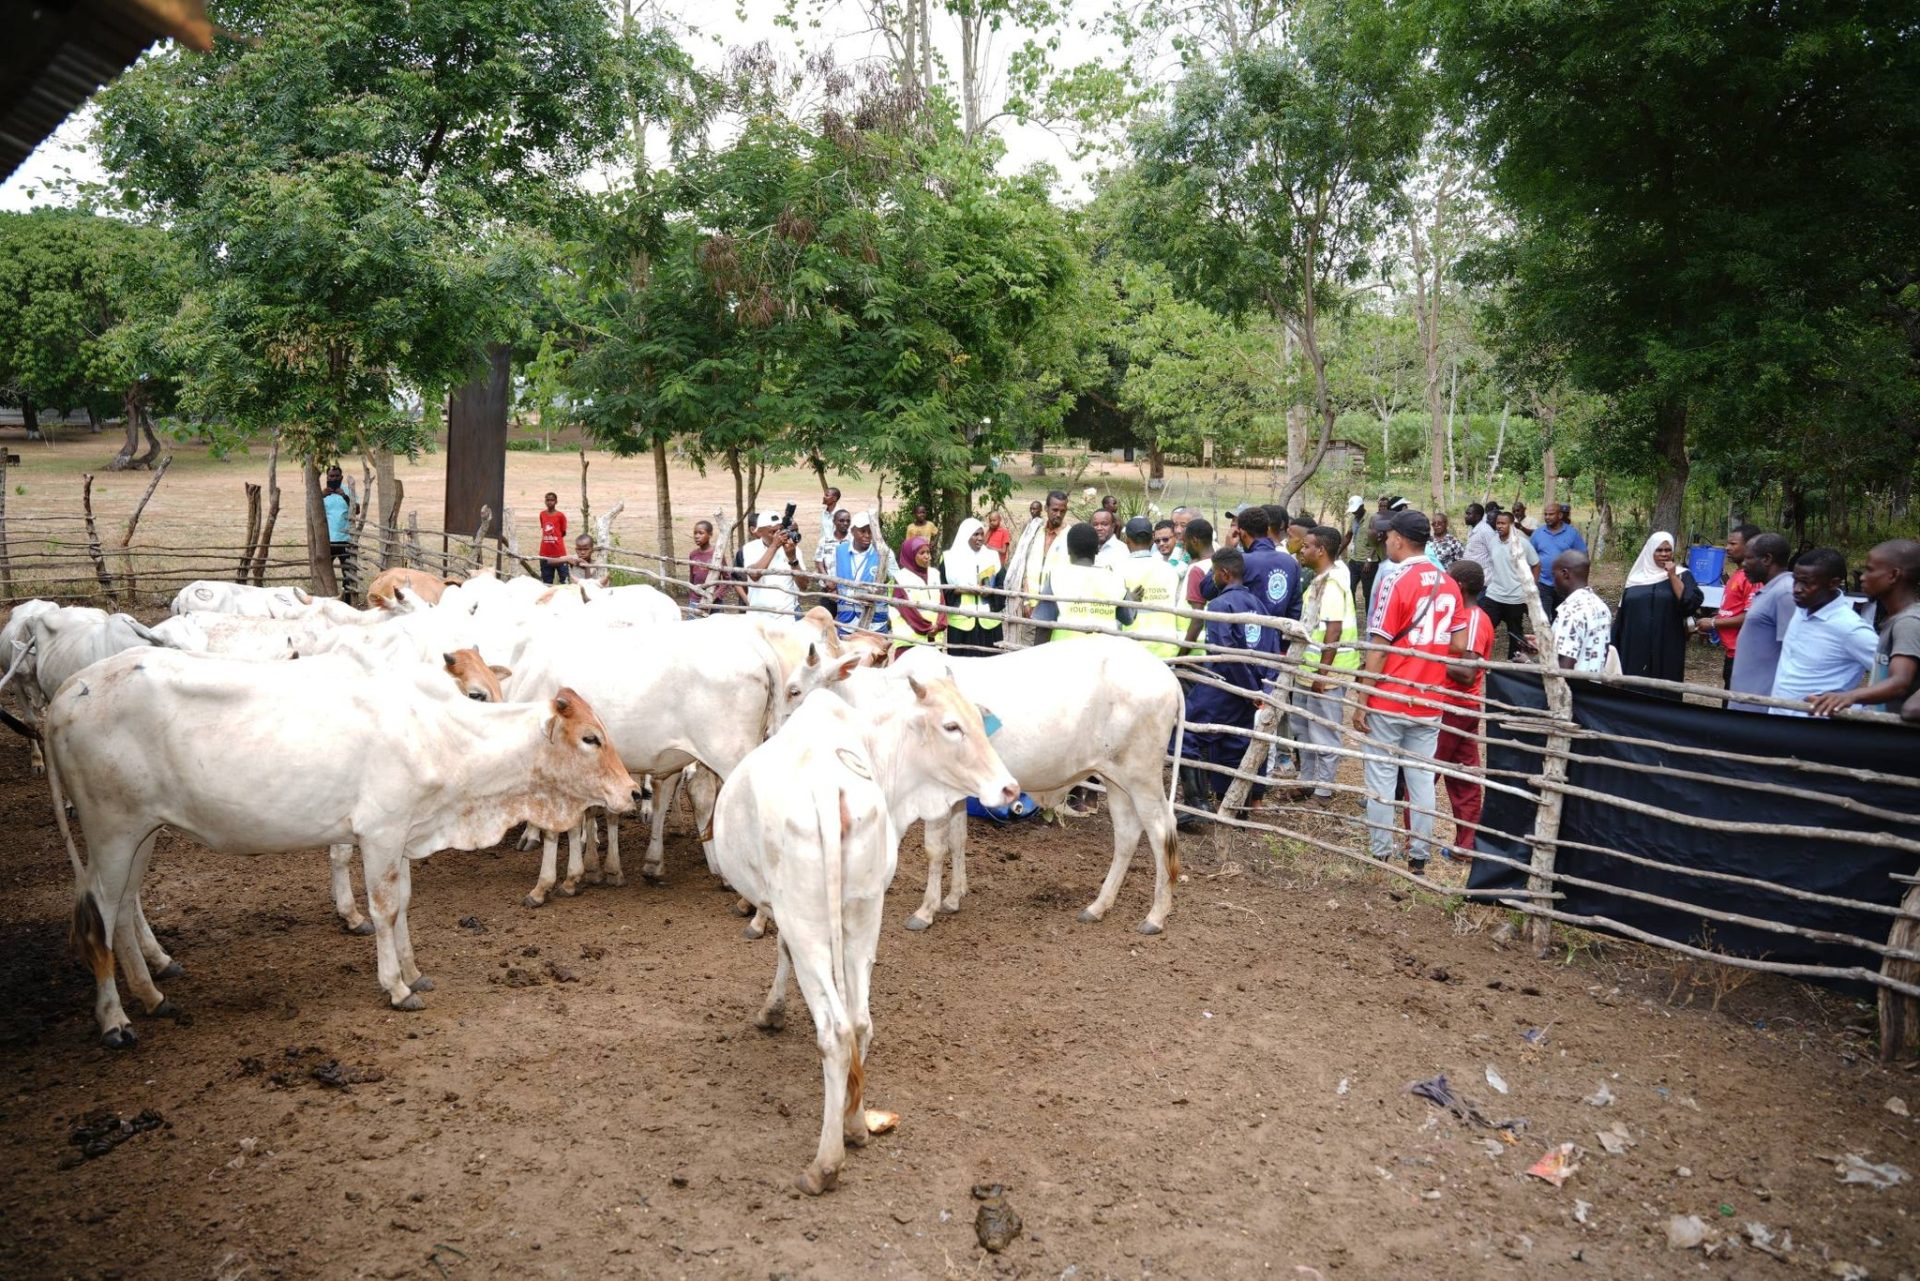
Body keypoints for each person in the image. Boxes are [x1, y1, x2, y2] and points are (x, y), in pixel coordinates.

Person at [1353, 509, 1469, 872]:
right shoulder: (1449, 582)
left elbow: (1379, 646)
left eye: (1388, 536)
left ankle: (1381, 853)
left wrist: (1362, 699)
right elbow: (1459, 644)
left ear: (1399, 539)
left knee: (1382, 779)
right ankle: (1419, 857)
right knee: (1421, 781)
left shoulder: (1394, 580)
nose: (1386, 540)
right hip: (1430, 698)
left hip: (1390, 696)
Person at [1175, 546, 1279, 828]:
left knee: (1186, 732)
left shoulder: (1220, 605)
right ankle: (1234, 807)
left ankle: (1197, 804)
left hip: (1224, 684)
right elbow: (1271, 649)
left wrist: (1245, 689)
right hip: (1252, 687)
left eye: (1213, 573)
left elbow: (1226, 652)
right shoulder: (1258, 604)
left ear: (1223, 573)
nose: (1210, 578)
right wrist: (1261, 690)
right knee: (1234, 743)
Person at [1809, 540, 1920, 717]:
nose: (1862, 577)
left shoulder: (1908, 622)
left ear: (1893, 575)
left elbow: (1899, 682)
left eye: (1870, 570)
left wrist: (1849, 697)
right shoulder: (1894, 620)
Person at [1294, 525, 1360, 801]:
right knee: (1304, 728)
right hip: (1307, 670)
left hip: (1325, 673)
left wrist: (1324, 674)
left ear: (1320, 550)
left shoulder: (1332, 585)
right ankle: (1306, 779)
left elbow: (1333, 631)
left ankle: (1324, 786)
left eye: (1307, 546)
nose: (1302, 549)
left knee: (1324, 729)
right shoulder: (1319, 580)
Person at [1770, 548, 1876, 716]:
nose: (1796, 589)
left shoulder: (1851, 628)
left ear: (1833, 583)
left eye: (1806, 583)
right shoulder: (1802, 610)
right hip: (1778, 716)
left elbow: (1895, 677)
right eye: (1795, 581)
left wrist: (1855, 701)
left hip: (1815, 730)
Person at [1438, 559, 1496, 859]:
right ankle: (1467, 845)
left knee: (1424, 774)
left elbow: (1467, 672)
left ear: (1458, 585)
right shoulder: (1468, 616)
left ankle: (1413, 844)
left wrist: (1430, 656)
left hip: (1454, 706)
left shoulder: (1472, 619)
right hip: (1463, 707)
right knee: (1464, 778)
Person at [1612, 531, 1703, 693]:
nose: (1664, 554)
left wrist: (1672, 576)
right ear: (1650, 551)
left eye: (1668, 550)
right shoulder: (1635, 578)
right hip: (1634, 645)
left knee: (1665, 688)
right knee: (1634, 687)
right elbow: (1622, 615)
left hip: (1667, 644)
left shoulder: (1683, 575)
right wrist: (1613, 644)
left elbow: (1690, 603)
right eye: (1659, 550)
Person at [1727, 533, 1795, 712]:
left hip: (1763, 700)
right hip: (1747, 696)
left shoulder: (1785, 593)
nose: (1743, 563)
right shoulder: (1770, 590)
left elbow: (1792, 650)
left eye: (1748, 558)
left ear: (1767, 559)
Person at [1032, 522, 1126, 645]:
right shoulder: (1114, 578)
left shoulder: (1057, 577)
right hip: (1105, 655)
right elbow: (1127, 618)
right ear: (1097, 550)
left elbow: (1043, 625)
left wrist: (1039, 659)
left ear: (1069, 550)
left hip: (1066, 654)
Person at [1119, 516, 1183, 658]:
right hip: (1167, 648)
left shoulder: (1118, 572)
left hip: (1133, 650)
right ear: (1151, 540)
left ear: (1127, 541)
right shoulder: (1170, 571)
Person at [1708, 524, 1764, 685]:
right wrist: (1719, 616)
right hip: (1732, 652)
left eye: (1733, 544)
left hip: (1745, 655)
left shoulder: (1751, 578)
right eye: (1728, 543)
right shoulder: (1738, 574)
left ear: (1750, 546)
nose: (1727, 548)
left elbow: (1751, 615)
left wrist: (1713, 623)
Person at [1481, 510, 1540, 659]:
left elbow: (1536, 564)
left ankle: (1514, 661)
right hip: (1494, 594)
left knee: (1515, 632)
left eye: (1503, 523)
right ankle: (1478, 658)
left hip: (1516, 597)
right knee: (1484, 628)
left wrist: (1532, 587)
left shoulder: (1523, 544)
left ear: (1512, 525)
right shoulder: (1493, 541)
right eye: (1498, 523)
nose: (1499, 526)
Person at [943, 518, 1003, 656]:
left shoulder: (992, 556)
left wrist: (990, 592)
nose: (980, 538)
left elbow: (1001, 586)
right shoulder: (949, 558)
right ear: (965, 535)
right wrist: (962, 590)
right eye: (975, 534)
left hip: (988, 621)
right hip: (961, 622)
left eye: (982, 534)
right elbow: (943, 590)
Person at [1550, 550, 1612, 673]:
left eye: (1553, 575)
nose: (1553, 581)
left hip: (1573, 690)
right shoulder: (1601, 606)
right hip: (1592, 688)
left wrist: (1527, 662)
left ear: (1565, 574)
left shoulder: (1570, 611)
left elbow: (1563, 670)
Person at [737, 510, 807, 617]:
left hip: (786, 615)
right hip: (758, 616)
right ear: (760, 532)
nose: (778, 535)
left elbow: (804, 586)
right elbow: (754, 575)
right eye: (772, 532)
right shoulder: (749, 548)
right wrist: (774, 546)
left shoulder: (792, 549)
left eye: (780, 530)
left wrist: (792, 558)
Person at [832, 512, 891, 633]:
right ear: (852, 531)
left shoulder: (884, 552)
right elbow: (834, 581)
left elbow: (896, 581)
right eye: (862, 531)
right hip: (846, 623)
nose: (867, 535)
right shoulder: (840, 551)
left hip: (875, 623)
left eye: (871, 532)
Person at [1529, 503, 1588, 621]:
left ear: (1560, 515)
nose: (1547, 517)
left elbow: (1583, 557)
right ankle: (1545, 638)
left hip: (1565, 583)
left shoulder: (1572, 533)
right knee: (1543, 619)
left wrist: (1582, 581)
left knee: (1562, 618)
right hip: (1543, 583)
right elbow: (1529, 556)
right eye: (1545, 514)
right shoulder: (1538, 534)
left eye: (1551, 514)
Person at [891, 535, 947, 653]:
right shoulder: (901, 578)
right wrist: (927, 628)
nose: (927, 556)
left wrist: (940, 625)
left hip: (934, 640)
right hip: (909, 642)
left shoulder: (934, 574)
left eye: (928, 552)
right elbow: (906, 610)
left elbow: (941, 602)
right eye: (922, 553)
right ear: (911, 556)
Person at [1179, 518, 1217, 652]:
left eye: (1185, 542)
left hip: (1195, 649)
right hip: (1214, 643)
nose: (1184, 547)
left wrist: (1181, 657)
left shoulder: (1197, 570)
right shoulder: (1222, 563)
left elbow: (1198, 619)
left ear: (1194, 541)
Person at [322, 465, 357, 600]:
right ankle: (326, 597)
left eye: (336, 476)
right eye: (331, 476)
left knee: (348, 573)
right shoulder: (323, 493)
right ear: (327, 477)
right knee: (324, 571)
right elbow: (312, 511)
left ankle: (347, 601)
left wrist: (345, 497)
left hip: (345, 539)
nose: (334, 478)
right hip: (327, 539)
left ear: (341, 477)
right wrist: (321, 496)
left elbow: (357, 510)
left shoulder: (348, 491)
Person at [687, 519, 719, 614]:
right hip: (695, 599)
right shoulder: (693, 554)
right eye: (695, 533)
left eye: (701, 533)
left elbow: (727, 578)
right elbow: (692, 578)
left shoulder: (716, 555)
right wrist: (692, 595)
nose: (697, 536)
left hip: (714, 600)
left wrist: (715, 595)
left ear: (710, 535)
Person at [537, 491, 570, 585]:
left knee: (565, 581)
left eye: (552, 500)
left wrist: (554, 539)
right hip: (545, 553)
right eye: (547, 500)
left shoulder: (560, 516)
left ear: (556, 501)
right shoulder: (542, 514)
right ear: (545, 501)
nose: (549, 502)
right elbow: (544, 528)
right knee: (547, 582)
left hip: (559, 553)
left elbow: (563, 532)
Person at [1464, 501, 1499, 573]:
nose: (1466, 516)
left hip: (1484, 576)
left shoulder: (1485, 531)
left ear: (1477, 516)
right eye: (1466, 514)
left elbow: (1496, 553)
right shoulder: (1473, 529)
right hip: (1472, 574)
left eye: (1469, 514)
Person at [1090, 507, 1128, 572]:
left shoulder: (1122, 550)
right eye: (1095, 524)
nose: (1099, 528)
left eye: (1104, 524)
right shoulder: (1086, 547)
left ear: (1113, 526)